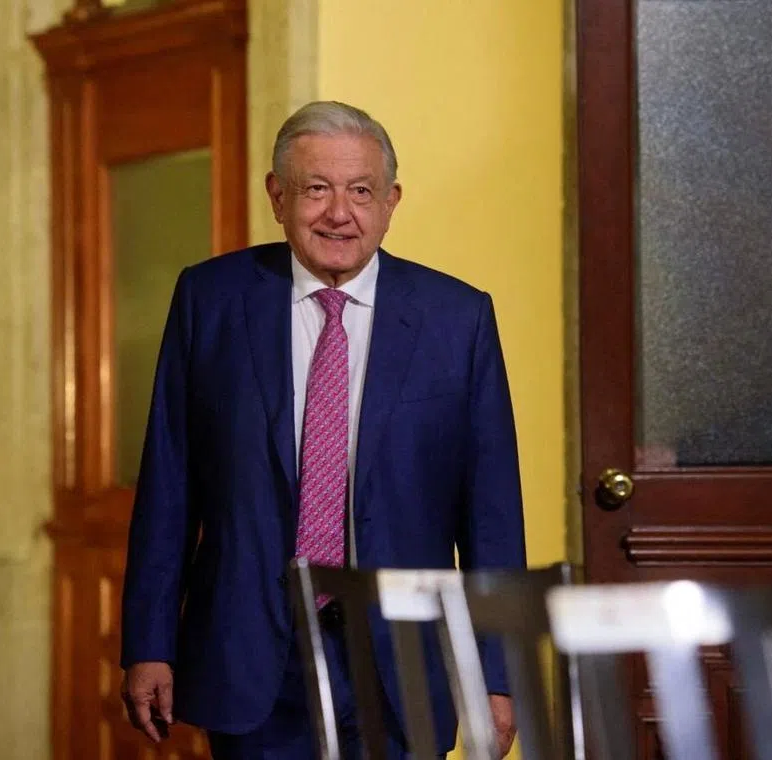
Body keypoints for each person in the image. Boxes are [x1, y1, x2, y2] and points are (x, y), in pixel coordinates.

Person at [119, 100, 527, 760]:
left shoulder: (459, 320)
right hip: (252, 655)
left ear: (392, 200)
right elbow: (169, 487)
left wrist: (497, 677)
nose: (340, 213)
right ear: (277, 197)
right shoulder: (211, 300)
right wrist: (148, 643)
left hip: (401, 663)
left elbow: (491, 519)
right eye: (317, 189)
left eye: (361, 191)